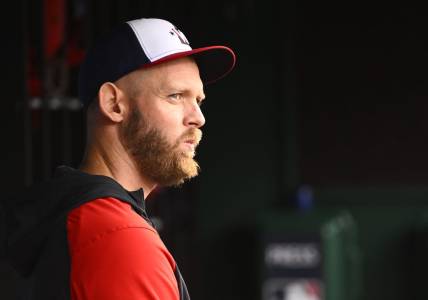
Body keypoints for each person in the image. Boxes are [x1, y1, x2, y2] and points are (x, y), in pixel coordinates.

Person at [5, 18, 235, 300]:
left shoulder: (77, 215)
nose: (198, 118)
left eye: (198, 100)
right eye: (175, 96)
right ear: (114, 104)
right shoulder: (119, 237)